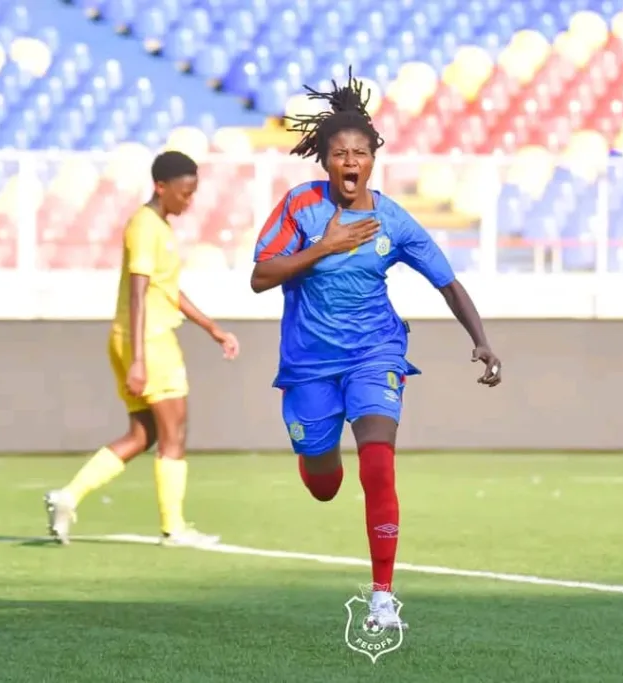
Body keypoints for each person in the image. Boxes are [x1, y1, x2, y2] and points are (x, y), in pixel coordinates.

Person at [250, 71, 502, 630]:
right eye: (339, 153)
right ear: (325, 160)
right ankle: (317, 456)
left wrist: (481, 340)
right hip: (309, 365)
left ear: (372, 160)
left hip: (375, 353)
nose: (350, 161)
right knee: (324, 486)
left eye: (359, 153)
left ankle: (383, 599)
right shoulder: (300, 207)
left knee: (378, 463)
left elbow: (448, 283)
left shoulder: (392, 220)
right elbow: (261, 277)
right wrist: (325, 246)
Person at [44, 150, 240, 547]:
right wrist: (138, 360)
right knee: (174, 432)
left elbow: (167, 290)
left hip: (136, 340)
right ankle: (174, 528)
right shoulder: (145, 227)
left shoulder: (158, 227)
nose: (189, 200)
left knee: (142, 434)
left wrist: (212, 328)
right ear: (161, 187)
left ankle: (68, 497)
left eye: (193, 193)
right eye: (184, 192)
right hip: (149, 342)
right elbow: (138, 294)